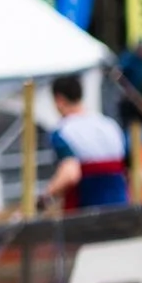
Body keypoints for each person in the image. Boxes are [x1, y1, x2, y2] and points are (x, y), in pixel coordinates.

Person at [43, 74, 129, 210]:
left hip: (86, 211)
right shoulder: (110, 125)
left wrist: (46, 196)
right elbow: (135, 169)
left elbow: (70, 173)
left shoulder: (62, 131)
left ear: (59, 99)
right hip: (120, 206)